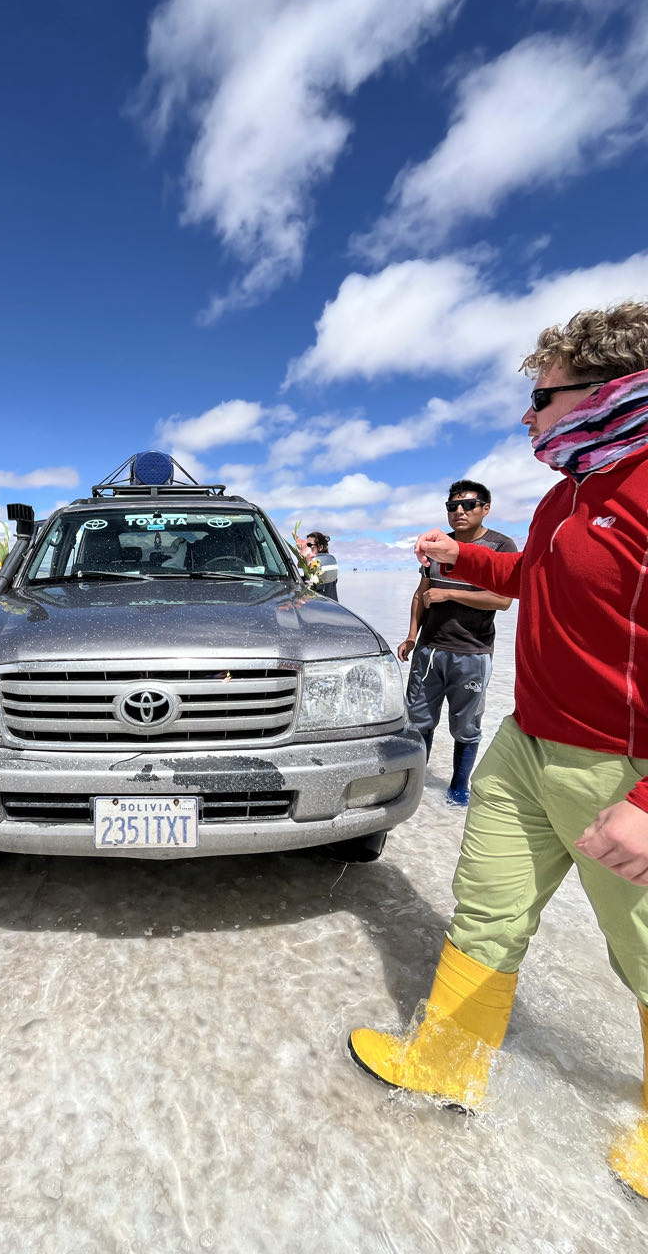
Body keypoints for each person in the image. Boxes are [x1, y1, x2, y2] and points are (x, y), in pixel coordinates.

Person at [348, 300, 648, 1199]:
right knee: (487, 909)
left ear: (614, 389)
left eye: (543, 397)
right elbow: (534, 575)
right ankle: (448, 1062)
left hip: (622, 770)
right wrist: (463, 557)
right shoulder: (570, 492)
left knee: (643, 949)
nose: (527, 416)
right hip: (528, 744)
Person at [398, 482, 517, 807]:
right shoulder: (438, 545)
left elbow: (503, 599)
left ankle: (459, 787)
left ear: (486, 508)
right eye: (453, 506)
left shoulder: (500, 545)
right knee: (419, 721)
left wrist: (450, 593)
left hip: (472, 652)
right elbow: (421, 593)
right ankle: (415, 787)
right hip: (429, 650)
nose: (459, 511)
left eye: (469, 505)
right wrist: (412, 636)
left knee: (466, 727)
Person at [305, 530, 339, 600]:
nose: (307, 549)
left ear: (320, 547)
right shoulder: (315, 562)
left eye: (309, 545)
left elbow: (314, 586)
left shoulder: (323, 563)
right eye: (305, 546)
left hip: (324, 605)